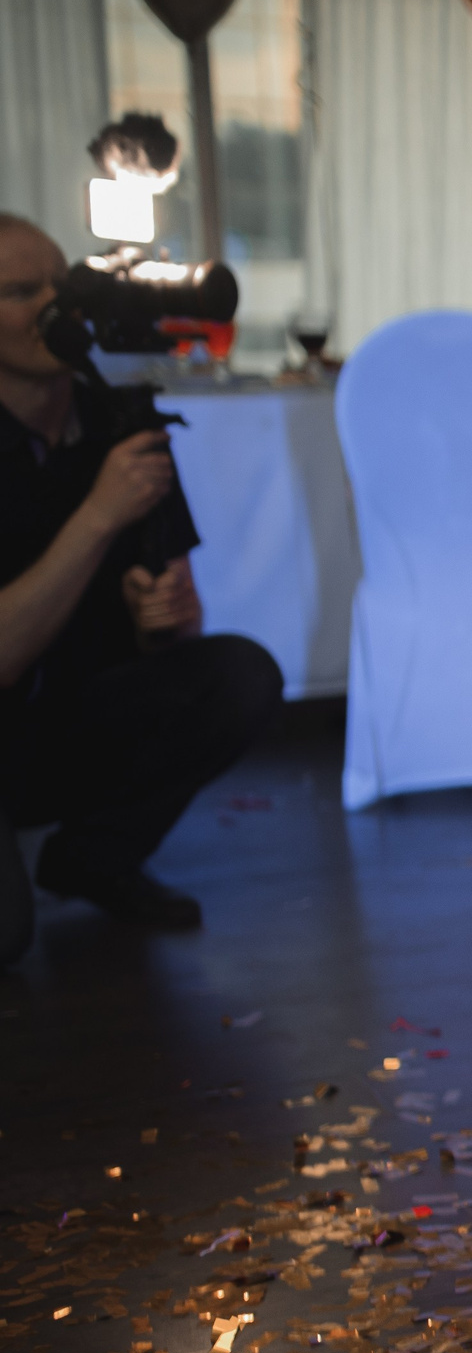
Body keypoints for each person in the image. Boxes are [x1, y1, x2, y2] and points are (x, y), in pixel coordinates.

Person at [0, 212, 280, 965]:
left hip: (72, 717)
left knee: (240, 674)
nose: (51, 308)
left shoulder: (121, 421)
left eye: (61, 287)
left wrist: (167, 618)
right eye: (20, 292)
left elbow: (174, 639)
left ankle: (93, 857)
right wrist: (98, 517)